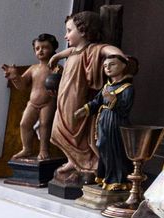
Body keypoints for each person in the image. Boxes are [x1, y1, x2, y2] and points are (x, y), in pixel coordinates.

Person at [48, 11, 124, 183]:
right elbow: (69, 52)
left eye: (69, 31)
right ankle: (72, 160)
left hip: (77, 99)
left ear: (83, 31)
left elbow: (106, 49)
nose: (65, 35)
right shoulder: (75, 50)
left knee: (76, 133)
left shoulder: (91, 49)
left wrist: (118, 56)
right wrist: (58, 55)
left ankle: (88, 164)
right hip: (63, 97)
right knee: (57, 131)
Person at [2, 33, 60, 162]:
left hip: (48, 102)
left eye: (45, 47)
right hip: (33, 103)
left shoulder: (56, 69)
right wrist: (15, 77)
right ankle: (26, 148)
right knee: (24, 123)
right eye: (37, 48)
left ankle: (43, 150)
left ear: (53, 49)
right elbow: (22, 86)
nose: (40, 50)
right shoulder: (34, 69)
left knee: (45, 124)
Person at [82, 52, 135, 188]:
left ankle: (118, 180)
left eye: (112, 65)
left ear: (123, 66)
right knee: (103, 147)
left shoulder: (127, 88)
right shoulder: (107, 86)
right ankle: (106, 177)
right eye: (105, 66)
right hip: (103, 121)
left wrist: (114, 100)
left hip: (116, 123)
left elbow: (125, 109)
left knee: (115, 150)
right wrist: (84, 109)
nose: (108, 68)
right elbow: (97, 101)